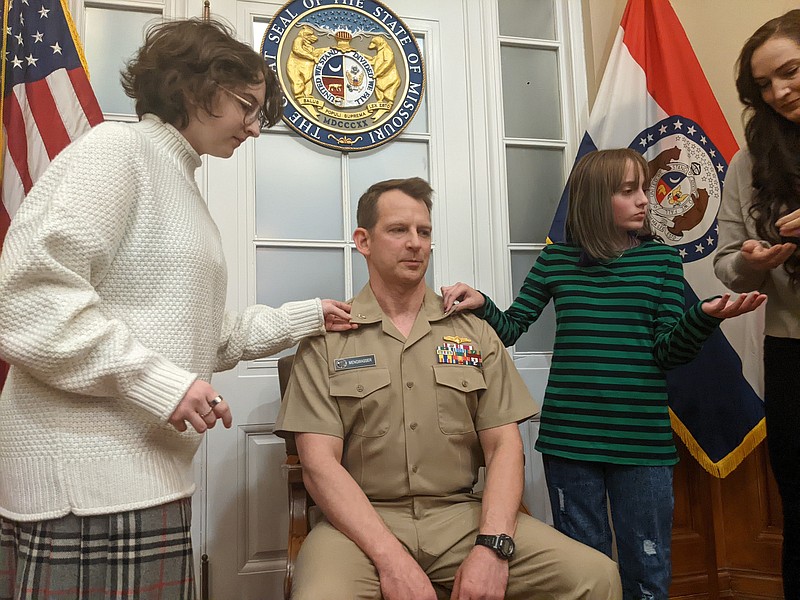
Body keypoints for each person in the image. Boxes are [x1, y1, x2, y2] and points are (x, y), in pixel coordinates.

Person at [0, 18, 354, 600]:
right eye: (247, 105)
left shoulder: (180, 183)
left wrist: (309, 315)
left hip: (143, 480)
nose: (255, 127)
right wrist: (158, 383)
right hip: (86, 490)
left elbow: (206, 339)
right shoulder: (118, 150)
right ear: (193, 87)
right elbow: (30, 301)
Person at [275, 176, 622, 600]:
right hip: (359, 526)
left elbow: (504, 448)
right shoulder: (327, 339)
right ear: (363, 241)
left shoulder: (472, 331)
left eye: (424, 232)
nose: (416, 243)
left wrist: (492, 548)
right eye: (398, 230)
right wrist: (392, 561)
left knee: (596, 576)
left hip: (462, 517)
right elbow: (319, 466)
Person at [442, 149, 765, 600]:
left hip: (642, 443)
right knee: (583, 569)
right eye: (628, 191)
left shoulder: (661, 262)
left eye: (643, 190)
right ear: (596, 199)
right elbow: (512, 327)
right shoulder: (556, 261)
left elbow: (668, 352)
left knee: (647, 571)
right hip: (569, 441)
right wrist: (481, 302)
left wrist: (703, 318)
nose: (644, 201)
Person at [714, 9, 800, 596]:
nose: (779, 92)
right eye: (764, 85)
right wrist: (752, 262)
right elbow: (724, 258)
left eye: (790, 72)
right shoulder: (748, 165)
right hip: (791, 351)